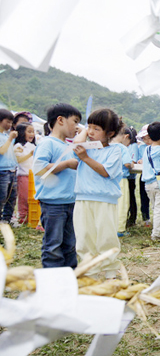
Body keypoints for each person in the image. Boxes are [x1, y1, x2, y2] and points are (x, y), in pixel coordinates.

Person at [72, 108, 124, 278]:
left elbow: (104, 171)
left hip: (104, 200)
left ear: (109, 133)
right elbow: (75, 145)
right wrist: (85, 132)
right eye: (89, 127)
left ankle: (110, 272)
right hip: (83, 198)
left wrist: (86, 158)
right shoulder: (85, 148)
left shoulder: (115, 150)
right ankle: (90, 271)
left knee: (106, 236)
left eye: (96, 129)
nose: (91, 132)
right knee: (84, 236)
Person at [33, 103, 81, 268]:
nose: (77, 127)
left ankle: (70, 275)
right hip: (53, 204)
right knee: (53, 245)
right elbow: (39, 168)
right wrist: (66, 164)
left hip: (70, 202)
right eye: (75, 121)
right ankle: (53, 277)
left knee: (70, 244)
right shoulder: (48, 143)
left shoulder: (68, 146)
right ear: (60, 120)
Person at [112, 127, 134, 237]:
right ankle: (120, 229)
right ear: (125, 136)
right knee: (122, 204)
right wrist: (131, 164)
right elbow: (127, 164)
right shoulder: (122, 148)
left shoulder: (108, 146)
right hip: (121, 179)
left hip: (109, 179)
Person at [14, 122, 36, 225]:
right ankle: (22, 217)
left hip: (33, 176)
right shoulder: (18, 146)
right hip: (23, 176)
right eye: (29, 131)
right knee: (24, 198)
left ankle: (31, 218)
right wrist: (30, 154)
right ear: (22, 133)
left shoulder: (32, 146)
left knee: (32, 198)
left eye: (33, 132)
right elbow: (19, 159)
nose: (32, 134)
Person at [0, 109, 17, 224]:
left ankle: (6, 220)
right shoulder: (6, 137)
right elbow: (2, 151)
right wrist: (11, 139)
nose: (10, 125)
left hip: (12, 170)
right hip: (2, 171)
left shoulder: (5, 136)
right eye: (8, 122)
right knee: (2, 197)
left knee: (11, 198)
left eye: (11, 122)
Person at [136, 125, 151, 227]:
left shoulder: (158, 147)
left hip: (155, 177)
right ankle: (146, 218)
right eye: (144, 138)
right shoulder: (141, 147)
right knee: (143, 197)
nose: (147, 140)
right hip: (143, 175)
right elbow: (137, 159)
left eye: (149, 138)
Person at [126, 127, 139, 227]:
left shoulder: (133, 146)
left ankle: (132, 218)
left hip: (130, 176)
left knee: (130, 197)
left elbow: (133, 160)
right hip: (124, 176)